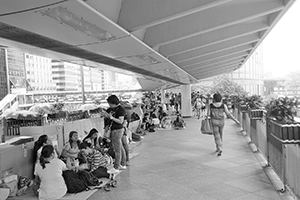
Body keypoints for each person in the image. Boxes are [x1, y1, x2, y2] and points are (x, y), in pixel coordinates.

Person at [102, 95, 127, 171]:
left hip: (118, 130)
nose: (109, 105)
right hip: (114, 130)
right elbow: (107, 118)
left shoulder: (120, 110)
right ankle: (123, 164)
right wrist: (106, 123)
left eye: (110, 103)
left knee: (117, 149)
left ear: (114, 102)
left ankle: (117, 166)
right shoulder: (111, 109)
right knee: (120, 147)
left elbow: (120, 121)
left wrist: (111, 118)